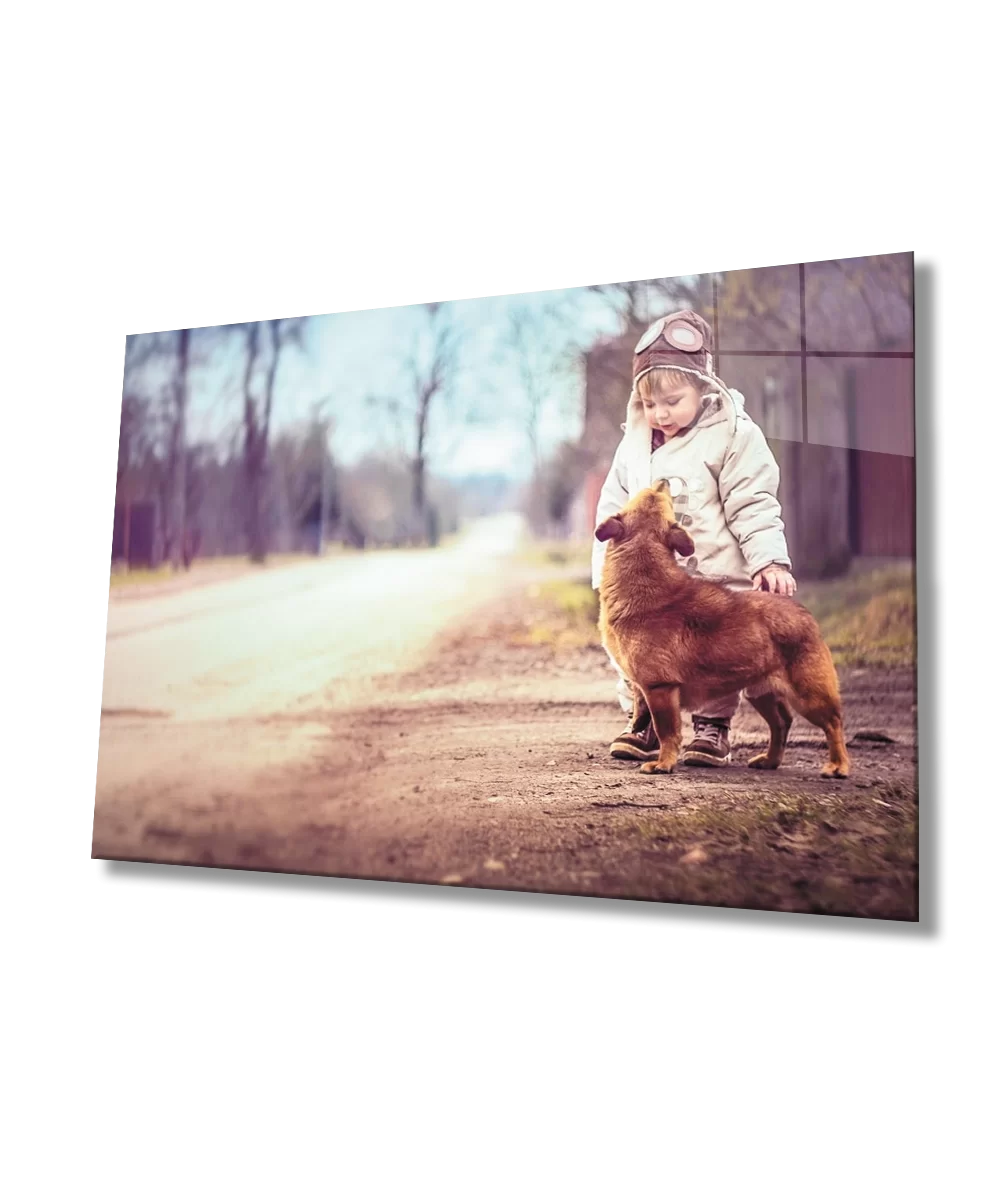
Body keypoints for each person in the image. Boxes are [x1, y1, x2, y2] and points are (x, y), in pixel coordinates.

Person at [592, 310, 796, 768]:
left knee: (714, 654)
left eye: (672, 401)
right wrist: (602, 574)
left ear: (704, 388)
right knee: (640, 651)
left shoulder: (733, 436)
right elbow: (614, 510)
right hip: (649, 589)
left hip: (713, 579)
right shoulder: (634, 445)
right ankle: (646, 721)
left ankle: (712, 727)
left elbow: (753, 501)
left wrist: (769, 560)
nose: (660, 414)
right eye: (649, 404)